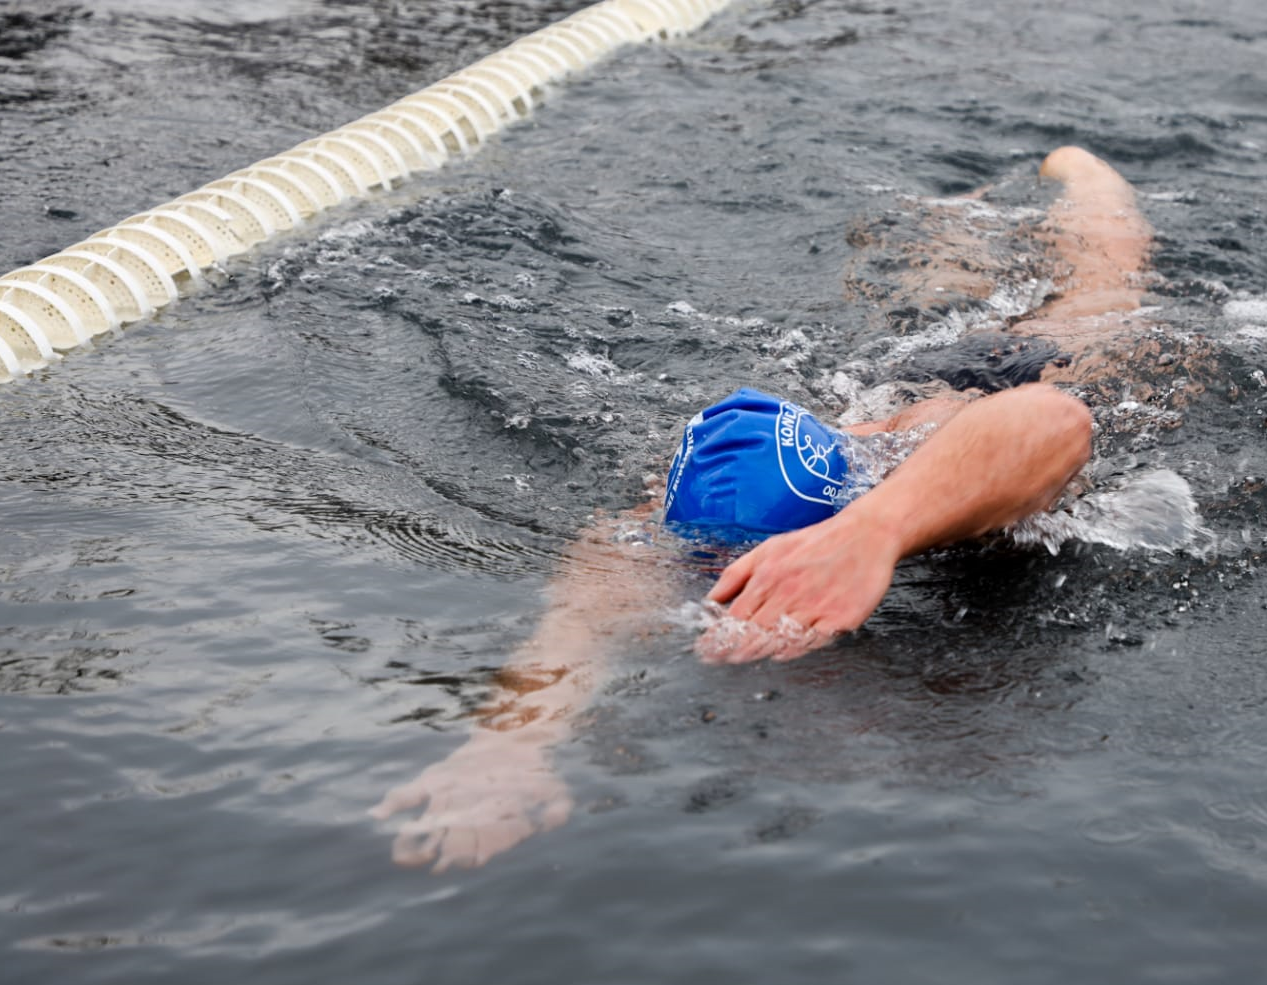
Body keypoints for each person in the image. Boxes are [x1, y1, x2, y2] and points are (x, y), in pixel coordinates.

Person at [372, 146, 1157, 870]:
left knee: (1101, 292)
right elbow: (579, 618)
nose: (730, 574)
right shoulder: (675, 514)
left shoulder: (900, 481)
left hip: (1028, 376)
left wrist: (873, 534)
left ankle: (1086, 179)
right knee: (934, 292)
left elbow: (1055, 422)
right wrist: (509, 748)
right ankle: (957, 216)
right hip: (908, 383)